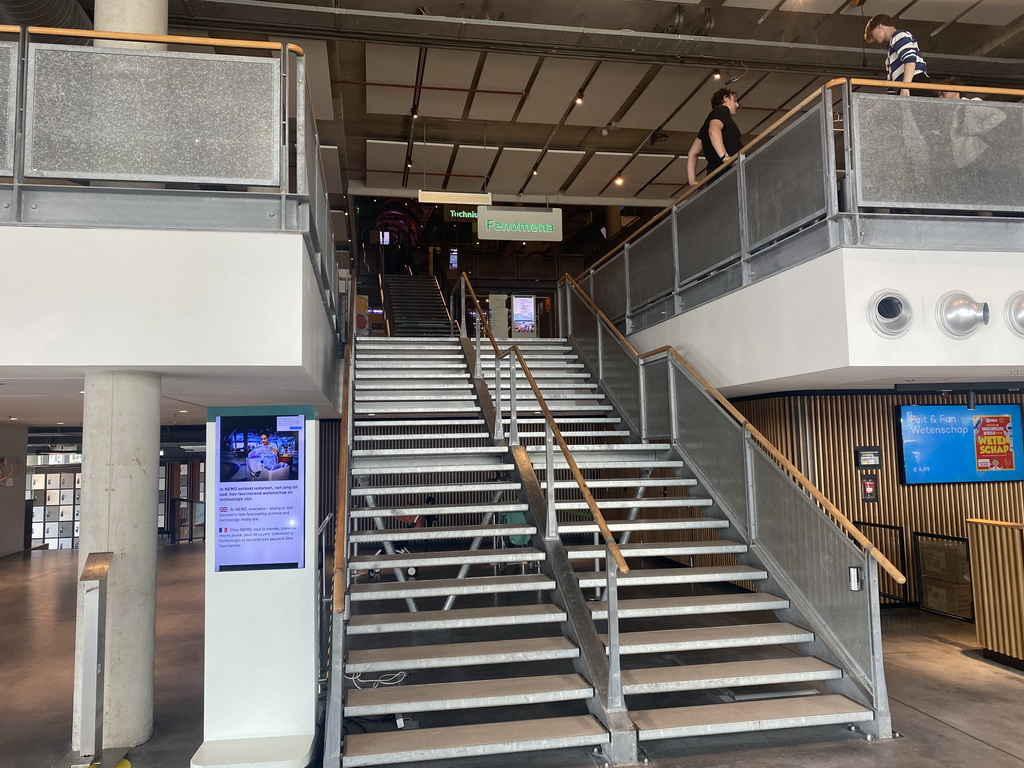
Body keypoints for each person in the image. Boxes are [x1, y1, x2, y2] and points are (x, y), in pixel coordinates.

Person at [686, 88, 743, 187]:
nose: (737, 105)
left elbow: (692, 153)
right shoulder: (722, 110)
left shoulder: (706, 123)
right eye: (734, 101)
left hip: (714, 174)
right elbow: (713, 131)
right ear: (725, 99)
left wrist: (692, 181)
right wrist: (725, 157)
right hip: (726, 171)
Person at [864, 14, 929, 96]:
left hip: (914, 82)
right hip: (905, 84)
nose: (873, 39)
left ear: (879, 26)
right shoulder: (891, 51)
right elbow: (891, 82)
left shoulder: (899, 35)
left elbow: (910, 61)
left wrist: (905, 87)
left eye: (872, 34)